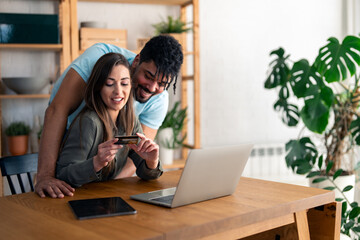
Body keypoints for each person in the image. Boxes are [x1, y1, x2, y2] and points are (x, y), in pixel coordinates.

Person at [36, 35, 183, 197]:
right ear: (136, 61)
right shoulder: (98, 61)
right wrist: (45, 176)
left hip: (95, 182)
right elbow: (57, 111)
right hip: (70, 149)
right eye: (148, 76)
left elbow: (138, 156)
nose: (153, 88)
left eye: (162, 84)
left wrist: (105, 190)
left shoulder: (137, 114)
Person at [56, 53, 162, 187]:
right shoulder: (89, 122)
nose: (118, 91)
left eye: (124, 83)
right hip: (81, 201)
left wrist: (151, 161)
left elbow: (145, 173)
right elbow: (62, 174)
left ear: (131, 86)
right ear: (98, 87)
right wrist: (96, 163)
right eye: (109, 84)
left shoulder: (130, 120)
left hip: (108, 199)